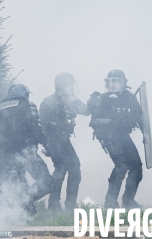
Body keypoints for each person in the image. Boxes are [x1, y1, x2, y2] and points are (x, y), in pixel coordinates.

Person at [87, 69, 144, 209]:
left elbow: (139, 115)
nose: (114, 85)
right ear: (107, 83)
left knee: (136, 165)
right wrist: (111, 123)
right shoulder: (102, 99)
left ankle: (128, 200)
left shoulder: (130, 97)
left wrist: (143, 129)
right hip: (110, 137)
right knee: (121, 166)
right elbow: (95, 121)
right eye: (111, 81)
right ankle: (110, 201)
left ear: (124, 82)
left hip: (123, 136)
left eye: (117, 81)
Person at [0, 83, 52, 215]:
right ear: (25, 94)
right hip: (26, 153)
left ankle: (28, 218)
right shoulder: (27, 105)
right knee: (47, 182)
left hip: (6, 156)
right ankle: (22, 203)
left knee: (19, 187)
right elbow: (35, 129)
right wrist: (47, 144)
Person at [39, 72, 90, 211]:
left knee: (75, 168)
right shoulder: (49, 101)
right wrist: (47, 143)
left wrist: (94, 101)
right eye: (69, 85)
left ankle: (70, 205)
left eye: (72, 84)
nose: (72, 87)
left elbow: (86, 110)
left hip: (64, 139)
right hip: (54, 139)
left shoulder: (71, 99)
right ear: (61, 86)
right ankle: (54, 205)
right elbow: (42, 124)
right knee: (60, 168)